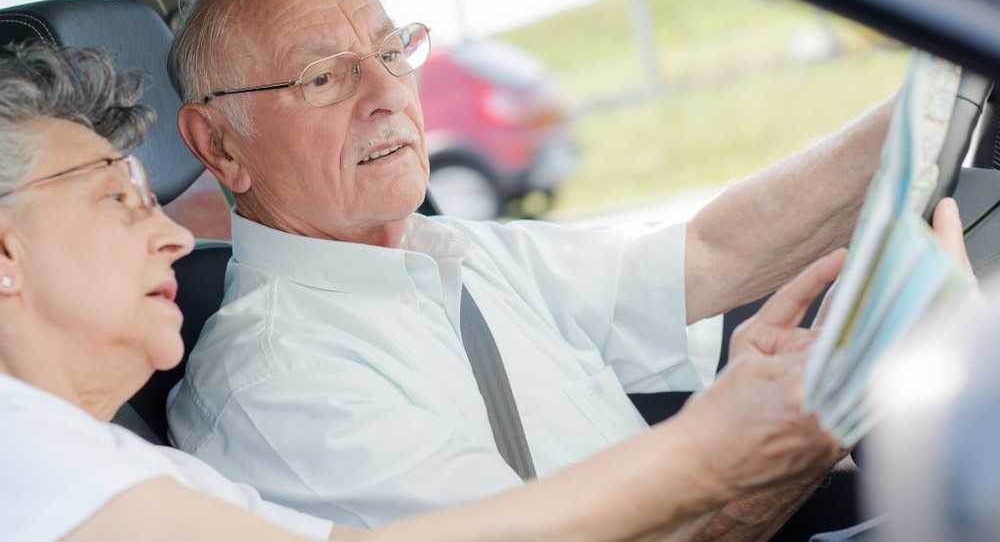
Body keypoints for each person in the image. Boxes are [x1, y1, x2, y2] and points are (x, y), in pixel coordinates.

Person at [165, 0, 967, 532]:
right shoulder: (280, 389)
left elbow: (710, 254)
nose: (387, 95)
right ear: (220, 146)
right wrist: (808, 424)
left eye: (387, 50)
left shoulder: (456, 254)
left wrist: (934, 98)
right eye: (323, 77)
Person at [0, 41, 854, 542]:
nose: (179, 236)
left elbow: (699, 258)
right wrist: (717, 451)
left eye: (392, 51)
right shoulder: (24, 452)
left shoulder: (109, 457)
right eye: (117, 198)